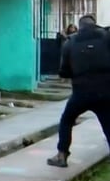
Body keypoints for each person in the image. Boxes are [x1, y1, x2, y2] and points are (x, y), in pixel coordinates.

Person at [47, 15, 110, 168]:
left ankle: (62, 155)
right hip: (105, 93)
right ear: (95, 24)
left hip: (81, 93)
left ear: (79, 26)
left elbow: (63, 72)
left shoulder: (70, 42)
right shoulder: (107, 37)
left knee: (67, 120)